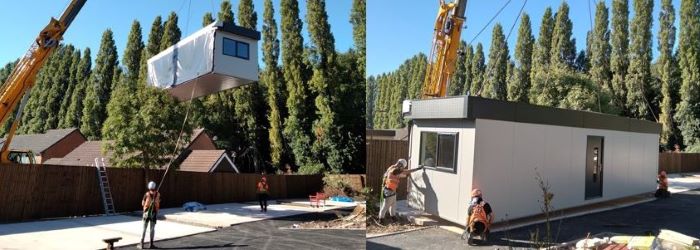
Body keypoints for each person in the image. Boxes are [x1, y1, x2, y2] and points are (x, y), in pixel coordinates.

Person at [378, 159, 423, 224]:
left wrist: (416, 169)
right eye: (402, 166)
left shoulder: (393, 167)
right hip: (389, 191)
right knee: (386, 206)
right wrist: (412, 171)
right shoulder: (394, 170)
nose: (402, 168)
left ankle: (393, 217)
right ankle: (381, 220)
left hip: (392, 191)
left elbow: (406, 172)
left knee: (393, 205)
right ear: (400, 165)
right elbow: (405, 172)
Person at [140, 181, 160, 249]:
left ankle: (141, 244)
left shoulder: (146, 194)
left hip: (146, 213)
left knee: (144, 229)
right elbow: (158, 202)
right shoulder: (158, 194)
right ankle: (151, 244)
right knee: (152, 229)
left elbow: (142, 203)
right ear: (155, 187)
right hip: (154, 213)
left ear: (149, 187)